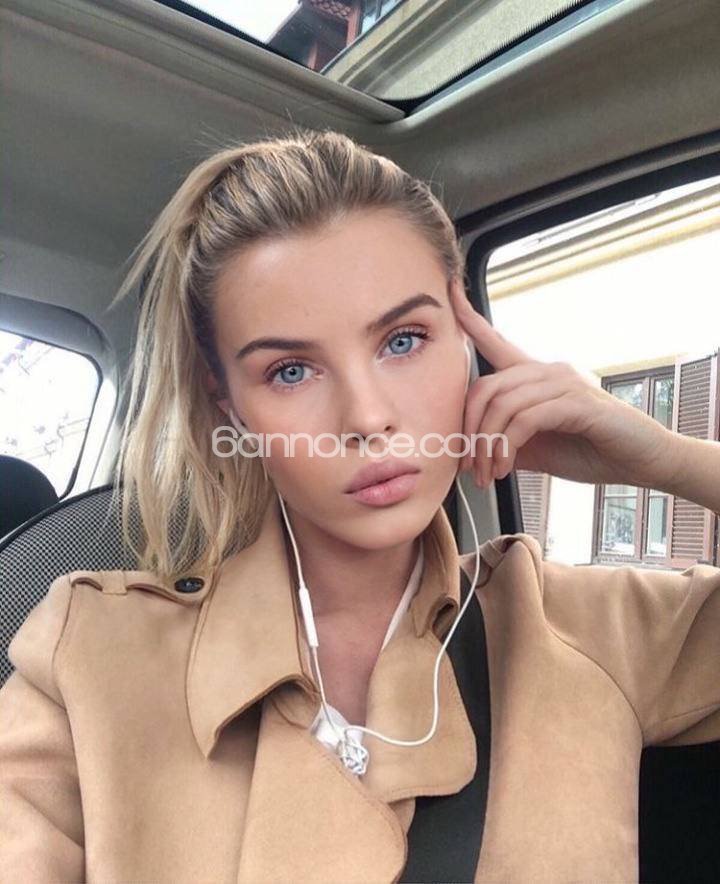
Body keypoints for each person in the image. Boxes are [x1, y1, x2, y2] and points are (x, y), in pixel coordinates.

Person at [1, 127, 719, 883]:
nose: (367, 417)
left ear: (467, 341)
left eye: (403, 341)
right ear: (230, 404)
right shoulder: (89, 659)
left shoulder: (593, 628)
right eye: (290, 371)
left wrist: (664, 458)